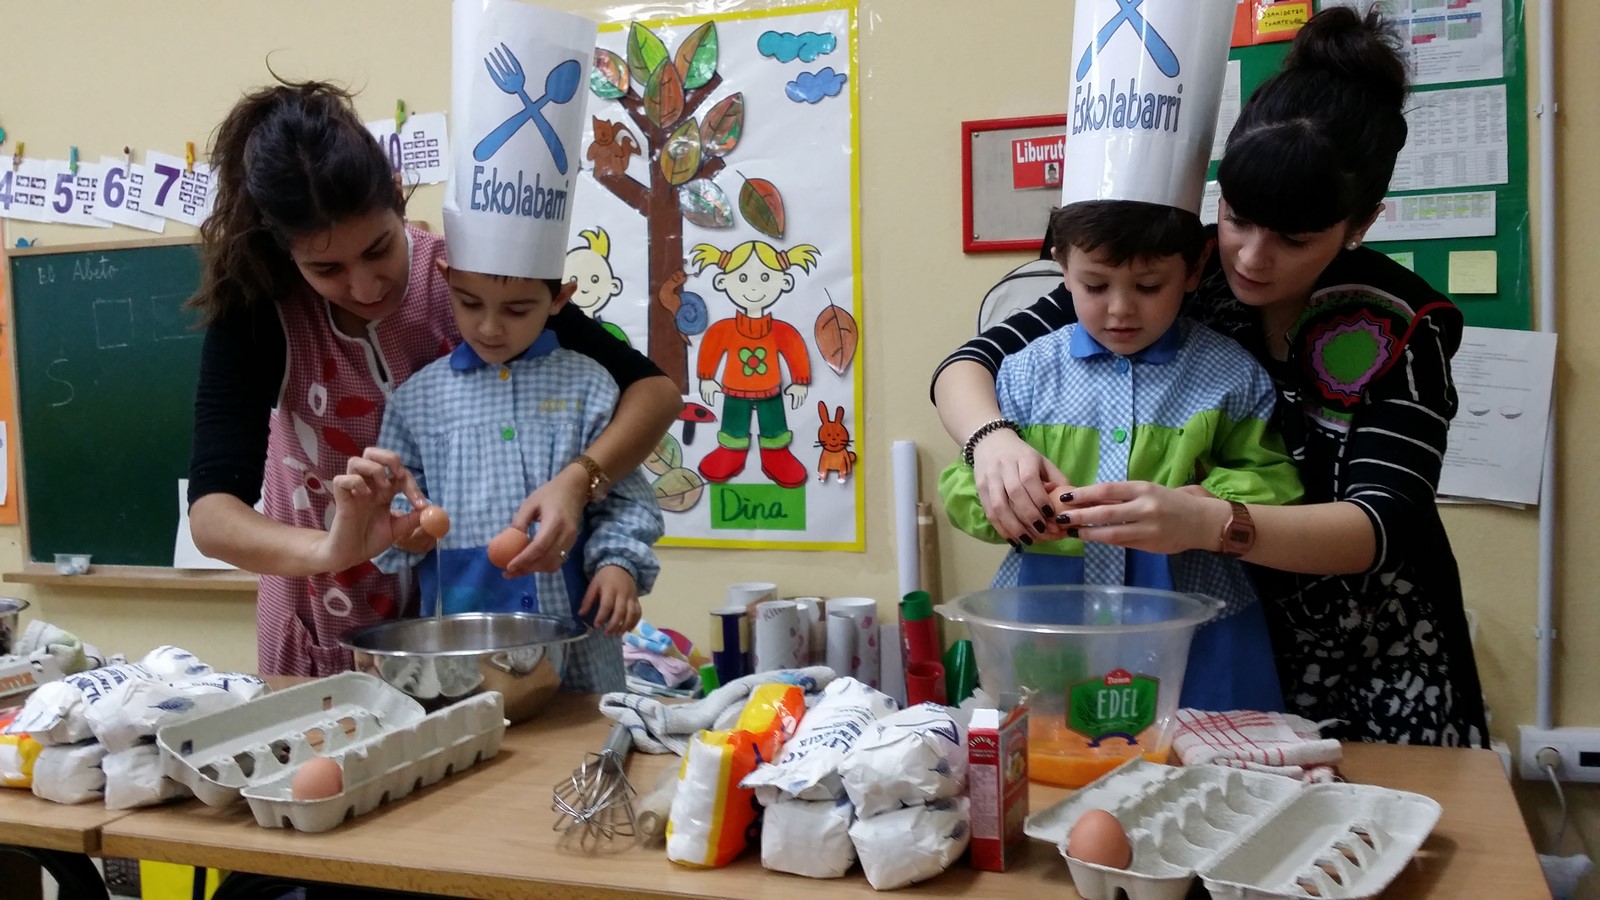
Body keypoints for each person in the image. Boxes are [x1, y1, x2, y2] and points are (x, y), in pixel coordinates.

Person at [932, 8, 1486, 747]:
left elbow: (1381, 524)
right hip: (1204, 630)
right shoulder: (1167, 272)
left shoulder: (1397, 327)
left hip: (1370, 646)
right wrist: (993, 442)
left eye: (1294, 239)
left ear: (1360, 224)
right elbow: (969, 366)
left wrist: (1211, 523)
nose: (1251, 258)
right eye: (1237, 218)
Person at [186, 81, 681, 676]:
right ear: (287, 251)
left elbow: (654, 392)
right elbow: (213, 515)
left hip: (469, 616)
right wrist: (331, 549)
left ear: (397, 196)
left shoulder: (471, 282)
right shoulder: (261, 311)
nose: (365, 286)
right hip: (322, 613)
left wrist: (579, 481)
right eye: (326, 268)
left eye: (378, 249)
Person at [939, 200, 1303, 712]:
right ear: (1063, 268)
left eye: (1149, 286)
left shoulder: (1230, 375)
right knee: (1050, 747)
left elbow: (1273, 481)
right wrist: (1013, 503)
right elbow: (964, 484)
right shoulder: (1025, 374)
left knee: (1199, 749)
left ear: (1193, 269)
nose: (1120, 310)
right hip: (1050, 623)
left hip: (1192, 629)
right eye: (1095, 286)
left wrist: (1204, 505)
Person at [365, 262, 663, 693]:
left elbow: (625, 499)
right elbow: (396, 502)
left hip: (577, 645)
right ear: (448, 283)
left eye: (517, 310)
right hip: (467, 657)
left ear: (559, 299)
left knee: (580, 730)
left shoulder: (589, 387)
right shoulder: (417, 400)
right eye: (469, 303)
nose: (489, 327)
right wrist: (406, 531)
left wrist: (619, 565)